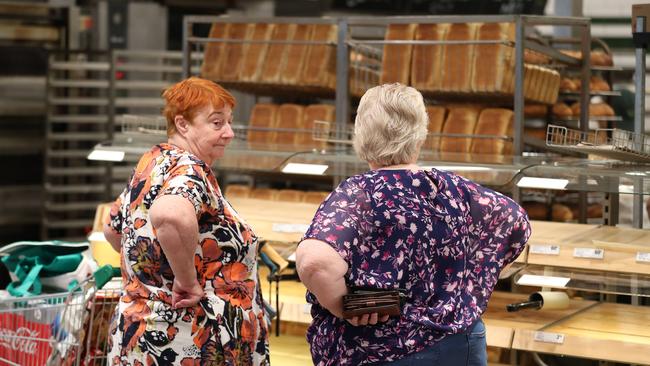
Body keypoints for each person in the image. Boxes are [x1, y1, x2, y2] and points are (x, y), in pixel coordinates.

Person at [296, 83, 531, 366]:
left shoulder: (360, 194)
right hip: (460, 344)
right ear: (420, 135)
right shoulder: (454, 189)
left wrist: (344, 305)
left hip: (381, 347)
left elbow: (314, 262)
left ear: (361, 134)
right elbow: (514, 223)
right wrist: (469, 282)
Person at [104, 77, 269, 365]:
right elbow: (169, 215)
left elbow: (112, 227)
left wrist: (155, 273)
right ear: (183, 125)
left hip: (139, 332)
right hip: (188, 341)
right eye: (217, 123)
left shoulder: (153, 162)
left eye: (229, 123)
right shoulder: (189, 168)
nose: (229, 133)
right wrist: (186, 281)